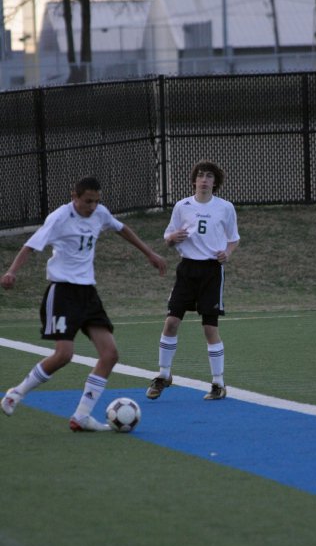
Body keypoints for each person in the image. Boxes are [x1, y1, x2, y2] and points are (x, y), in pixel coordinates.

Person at [1, 176, 166, 431]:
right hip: (62, 292)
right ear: (74, 197)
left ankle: (81, 416)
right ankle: (17, 393)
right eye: (87, 201)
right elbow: (29, 247)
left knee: (110, 355)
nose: (92, 206)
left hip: (88, 294)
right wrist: (12, 272)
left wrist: (150, 253)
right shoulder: (59, 218)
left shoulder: (100, 213)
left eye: (96, 201)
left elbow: (121, 228)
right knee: (64, 354)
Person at [147, 159, 239, 401]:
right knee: (171, 322)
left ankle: (218, 384)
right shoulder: (182, 206)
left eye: (209, 176)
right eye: (200, 175)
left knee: (210, 328)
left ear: (215, 182)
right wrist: (173, 237)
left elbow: (233, 238)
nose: (204, 180)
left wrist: (227, 253)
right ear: (194, 180)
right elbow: (168, 237)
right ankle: (163, 375)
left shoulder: (225, 208)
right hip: (187, 270)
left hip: (211, 272)